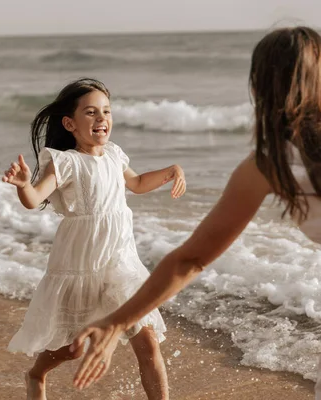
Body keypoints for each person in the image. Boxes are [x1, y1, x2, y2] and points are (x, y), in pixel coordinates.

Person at [70, 27, 321, 398]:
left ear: (258, 88)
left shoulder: (268, 166)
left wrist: (116, 321)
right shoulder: (269, 165)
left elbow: (190, 260)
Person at [2, 78, 186, 400]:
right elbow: (34, 199)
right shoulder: (67, 162)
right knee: (73, 349)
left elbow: (139, 183)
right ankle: (35, 374)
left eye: (106, 111)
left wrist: (171, 170)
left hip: (121, 263)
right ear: (70, 123)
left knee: (148, 340)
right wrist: (22, 185)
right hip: (81, 264)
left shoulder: (115, 154)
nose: (101, 119)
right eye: (91, 112)